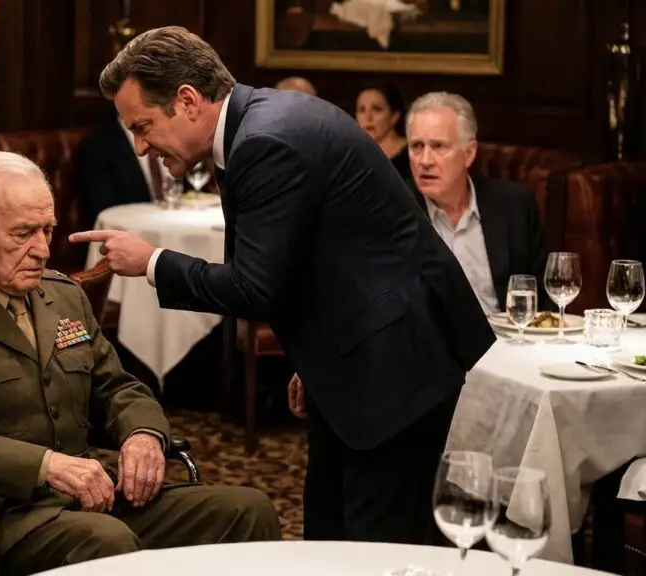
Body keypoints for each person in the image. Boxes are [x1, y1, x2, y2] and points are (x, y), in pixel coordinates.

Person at [69, 26, 496, 544]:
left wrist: (152, 261)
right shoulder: (260, 123)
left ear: (187, 101)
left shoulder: (264, 141)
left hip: (394, 368)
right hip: (360, 353)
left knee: (376, 552)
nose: (140, 147)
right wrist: (316, 359)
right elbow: (324, 260)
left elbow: (255, 287)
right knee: (330, 539)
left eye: (144, 126)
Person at [0, 151, 281, 575]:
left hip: (88, 500)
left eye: (47, 230)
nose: (42, 250)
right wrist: (44, 465)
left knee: (247, 511)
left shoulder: (62, 295)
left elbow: (116, 388)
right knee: (107, 542)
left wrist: (142, 434)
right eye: (23, 233)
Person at [406, 91, 549, 314]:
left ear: (469, 153)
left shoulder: (515, 205)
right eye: (417, 146)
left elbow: (542, 296)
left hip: (506, 333)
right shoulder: (394, 209)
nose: (425, 160)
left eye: (438, 146)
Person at [355, 84, 410, 180]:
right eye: (362, 110)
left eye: (377, 109)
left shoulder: (412, 154)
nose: (368, 117)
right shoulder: (351, 155)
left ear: (394, 116)